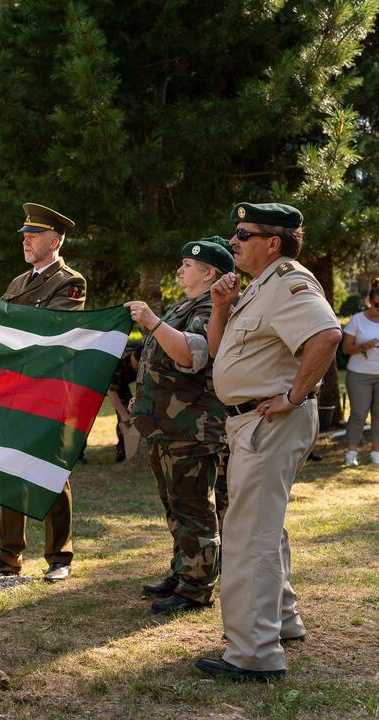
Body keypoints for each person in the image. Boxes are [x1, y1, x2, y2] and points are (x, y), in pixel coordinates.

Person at [195, 202, 341, 682]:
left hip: (267, 422)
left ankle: (255, 653)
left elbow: (326, 335)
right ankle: (281, 620)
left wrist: (295, 396)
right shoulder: (258, 287)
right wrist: (221, 306)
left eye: (243, 233)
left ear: (272, 242)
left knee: (248, 534)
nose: (233, 241)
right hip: (250, 423)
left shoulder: (289, 282)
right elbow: (219, 352)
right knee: (263, 524)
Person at [0, 202, 86, 583]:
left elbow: (47, 328)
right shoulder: (18, 283)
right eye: (25, 235)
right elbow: (1, 323)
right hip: (12, 390)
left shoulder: (70, 281)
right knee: (8, 468)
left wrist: (2, 314)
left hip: (46, 391)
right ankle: (8, 554)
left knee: (49, 472)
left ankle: (59, 556)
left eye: (34, 235)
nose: (26, 241)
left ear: (56, 239)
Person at [124, 238, 233, 614]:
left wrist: (152, 322)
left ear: (210, 273)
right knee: (174, 507)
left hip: (192, 428)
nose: (180, 270)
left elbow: (193, 354)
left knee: (194, 510)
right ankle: (181, 571)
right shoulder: (183, 306)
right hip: (165, 427)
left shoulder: (210, 309)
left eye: (188, 265)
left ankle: (196, 587)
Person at [340, 279, 379, 466]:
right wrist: (363, 346)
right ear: (370, 302)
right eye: (378, 304)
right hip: (359, 375)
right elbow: (345, 349)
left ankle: (376, 453)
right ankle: (351, 454)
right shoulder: (357, 320)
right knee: (358, 413)